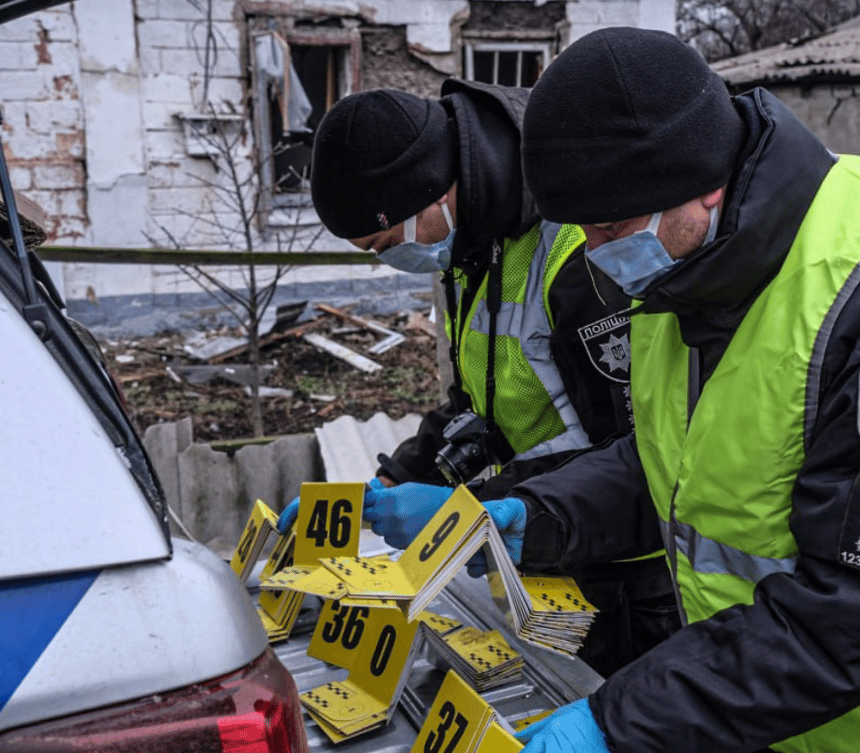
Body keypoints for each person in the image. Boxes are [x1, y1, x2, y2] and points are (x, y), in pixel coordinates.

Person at [370, 26, 860, 753]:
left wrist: (625, 724)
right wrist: (525, 516)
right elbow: (671, 470)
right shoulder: (689, 273)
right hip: (785, 727)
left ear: (702, 179)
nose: (598, 252)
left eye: (609, 227)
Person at [289, 78, 678, 676]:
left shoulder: (579, 255)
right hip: (543, 542)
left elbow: (642, 456)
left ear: (431, 193)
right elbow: (482, 404)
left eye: (386, 243)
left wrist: (465, 509)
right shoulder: (476, 243)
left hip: (634, 577)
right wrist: (393, 481)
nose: (390, 260)